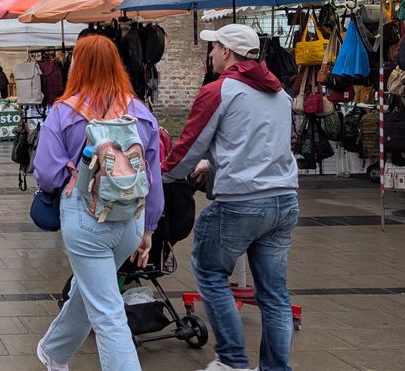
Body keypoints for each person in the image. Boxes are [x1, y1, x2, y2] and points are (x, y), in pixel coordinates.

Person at [163, 24, 298, 371]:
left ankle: (233, 361)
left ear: (227, 52)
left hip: (241, 202)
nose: (210, 54)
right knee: (275, 295)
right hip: (284, 199)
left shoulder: (219, 90)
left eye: (215, 47)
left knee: (209, 272)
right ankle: (276, 368)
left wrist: (163, 176)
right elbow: (264, 144)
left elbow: (189, 147)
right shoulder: (280, 93)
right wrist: (217, 163)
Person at [33, 34, 163, 371]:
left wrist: (72, 174)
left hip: (86, 220)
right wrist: (149, 228)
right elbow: (153, 177)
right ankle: (54, 351)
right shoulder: (141, 113)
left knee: (108, 313)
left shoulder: (63, 112)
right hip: (131, 221)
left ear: (79, 64)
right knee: (90, 287)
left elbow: (46, 174)